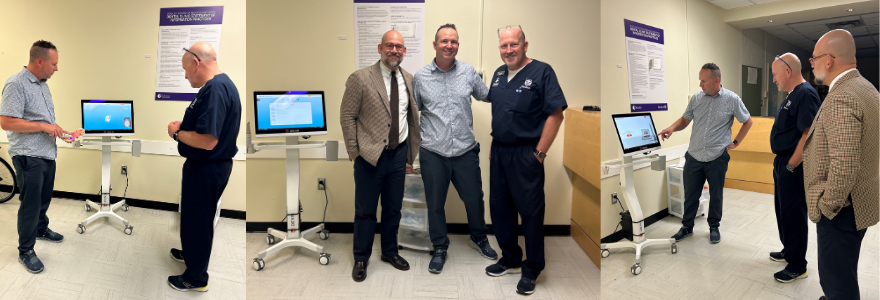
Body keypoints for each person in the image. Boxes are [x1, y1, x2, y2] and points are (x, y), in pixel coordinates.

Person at [483, 26, 567, 296]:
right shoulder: (498, 74)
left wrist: (539, 153)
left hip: (526, 154)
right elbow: (501, 111)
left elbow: (556, 115)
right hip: (499, 152)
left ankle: (532, 269)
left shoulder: (542, 72)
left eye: (513, 45)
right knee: (500, 209)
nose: (508, 50)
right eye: (503, 46)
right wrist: (496, 146)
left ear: (525, 45)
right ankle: (510, 259)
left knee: (530, 213)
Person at [412, 23, 496, 274]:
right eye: (445, 41)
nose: (450, 45)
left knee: (475, 199)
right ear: (435, 44)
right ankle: (439, 246)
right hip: (433, 152)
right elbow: (413, 112)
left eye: (454, 41)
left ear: (457, 45)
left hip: (465, 151)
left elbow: (488, 96)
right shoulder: (420, 77)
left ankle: (479, 237)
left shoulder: (469, 72)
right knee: (435, 203)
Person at [340, 30, 421, 282]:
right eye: (389, 46)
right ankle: (361, 258)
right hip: (369, 156)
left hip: (398, 156)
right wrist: (355, 153)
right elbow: (347, 116)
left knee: (393, 208)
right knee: (365, 211)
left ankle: (389, 252)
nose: (394, 50)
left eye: (399, 46)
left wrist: (410, 156)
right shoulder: (360, 78)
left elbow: (411, 119)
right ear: (380, 48)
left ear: (404, 51)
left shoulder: (409, 79)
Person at [804, 29, 879, 300]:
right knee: (844, 267)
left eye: (813, 59)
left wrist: (827, 207)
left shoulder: (842, 96)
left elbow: (845, 164)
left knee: (837, 280)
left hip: (841, 210)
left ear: (829, 59)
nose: (811, 64)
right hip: (860, 203)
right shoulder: (867, 88)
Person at [165, 42, 241, 292]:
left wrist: (177, 134)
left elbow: (208, 140)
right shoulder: (220, 86)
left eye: (186, 69)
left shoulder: (216, 90)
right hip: (210, 167)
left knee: (198, 220)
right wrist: (186, 129)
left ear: (197, 63)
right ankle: (192, 255)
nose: (185, 75)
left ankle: (195, 278)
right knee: (195, 217)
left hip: (207, 167)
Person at [658, 63, 752, 244]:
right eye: (699, 80)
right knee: (691, 194)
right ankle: (687, 227)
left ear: (716, 81)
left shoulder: (732, 99)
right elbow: (685, 120)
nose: (700, 84)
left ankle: (714, 227)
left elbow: (747, 121)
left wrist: (736, 142)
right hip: (694, 155)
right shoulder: (696, 99)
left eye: (703, 80)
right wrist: (671, 128)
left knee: (716, 194)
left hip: (717, 156)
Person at [0, 40, 68, 274]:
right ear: (40, 61)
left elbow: (43, 120)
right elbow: (6, 121)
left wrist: (61, 131)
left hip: (47, 152)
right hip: (28, 155)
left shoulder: (42, 84)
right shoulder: (16, 84)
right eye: (54, 64)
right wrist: (43, 127)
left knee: (43, 198)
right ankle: (25, 250)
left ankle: (40, 228)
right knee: (30, 204)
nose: (56, 68)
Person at [767, 53, 820, 283]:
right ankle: (789, 251)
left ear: (788, 71)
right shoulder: (792, 94)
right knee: (783, 211)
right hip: (783, 162)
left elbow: (808, 134)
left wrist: (790, 165)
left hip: (793, 165)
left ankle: (798, 265)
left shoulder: (805, 93)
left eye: (775, 74)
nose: (774, 80)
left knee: (794, 214)